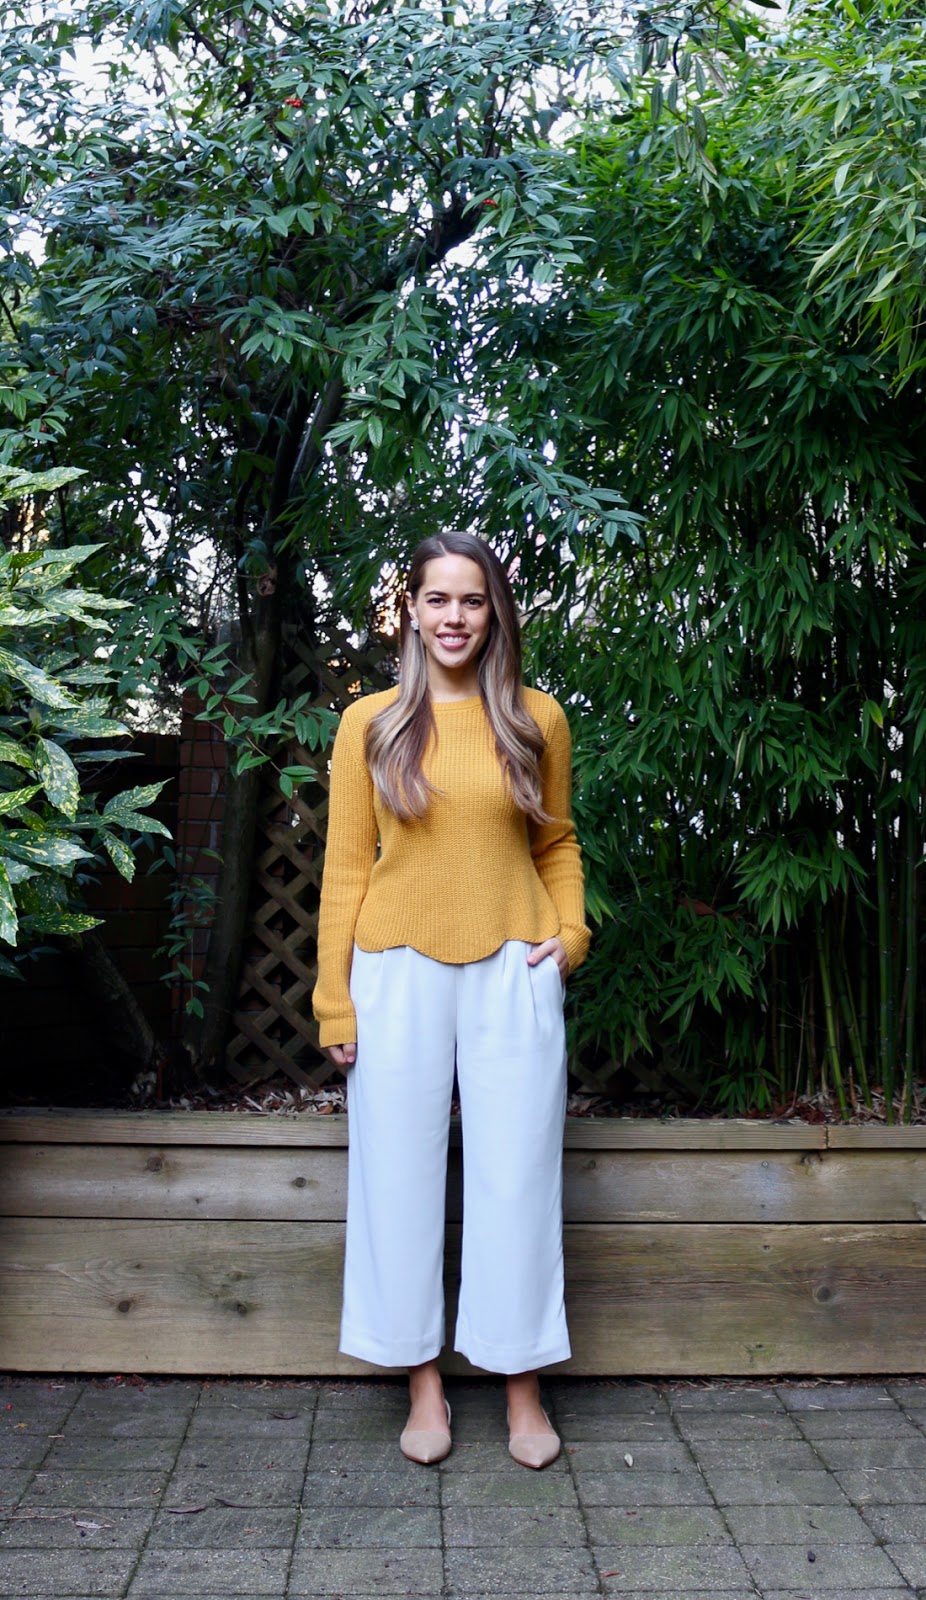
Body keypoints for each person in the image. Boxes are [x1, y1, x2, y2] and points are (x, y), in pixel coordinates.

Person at [312, 530, 590, 1469]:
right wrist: (334, 999)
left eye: (472, 599)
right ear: (412, 611)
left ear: (495, 612)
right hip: (394, 969)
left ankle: (522, 1389)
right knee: (395, 1176)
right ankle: (422, 1383)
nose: (455, 617)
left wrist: (572, 936)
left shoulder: (537, 719)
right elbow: (345, 869)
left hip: (516, 962)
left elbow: (557, 842)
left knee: (518, 1177)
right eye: (438, 599)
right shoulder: (372, 722)